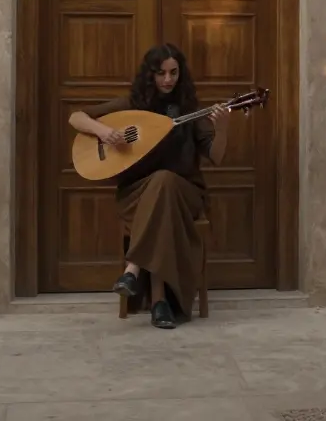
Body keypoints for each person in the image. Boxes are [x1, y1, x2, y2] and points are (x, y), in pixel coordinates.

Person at [68, 43, 229, 330]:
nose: (168, 79)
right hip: (136, 194)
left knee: (165, 181)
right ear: (150, 75)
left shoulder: (190, 109)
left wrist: (224, 128)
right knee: (159, 192)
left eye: (174, 72)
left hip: (186, 193)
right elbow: (76, 117)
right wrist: (104, 132)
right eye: (161, 73)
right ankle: (159, 303)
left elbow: (216, 156)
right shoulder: (132, 104)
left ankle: (132, 270)